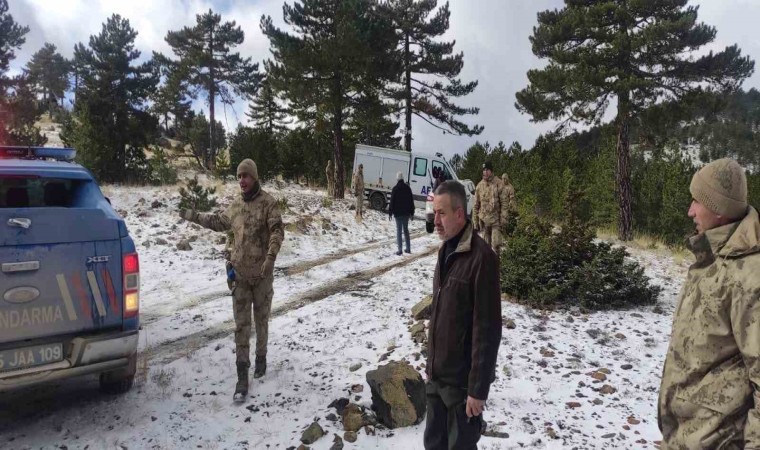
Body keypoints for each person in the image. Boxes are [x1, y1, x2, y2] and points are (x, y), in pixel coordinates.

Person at [658, 158, 760, 449]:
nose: (690, 211)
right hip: (687, 435)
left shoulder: (748, 276)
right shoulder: (713, 259)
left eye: (697, 201)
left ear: (718, 209)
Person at [179, 159, 284, 402]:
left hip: (262, 276)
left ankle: (261, 357)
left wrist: (270, 258)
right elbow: (217, 222)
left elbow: (277, 231)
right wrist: (193, 215)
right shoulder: (236, 206)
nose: (242, 180)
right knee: (241, 325)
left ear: (254, 177)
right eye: (239, 176)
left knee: (261, 320)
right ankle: (242, 375)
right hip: (240, 275)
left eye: (246, 176)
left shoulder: (268, 203)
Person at [425, 180, 502, 450]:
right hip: (436, 379)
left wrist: (478, 390)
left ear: (460, 214)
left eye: (441, 213)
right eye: (434, 213)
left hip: (461, 387)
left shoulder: (482, 259)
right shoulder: (445, 250)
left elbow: (488, 329)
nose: (435, 220)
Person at [472, 161, 509, 254]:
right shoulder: (479, 186)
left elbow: (504, 202)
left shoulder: (498, 183)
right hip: (484, 222)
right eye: (484, 170)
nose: (485, 172)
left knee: (496, 246)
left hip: (496, 221)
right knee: (485, 248)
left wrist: (504, 218)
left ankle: (496, 262)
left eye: (487, 170)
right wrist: (475, 222)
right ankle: (488, 263)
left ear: (491, 171)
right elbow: (476, 205)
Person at [388, 171, 414, 255]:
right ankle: (408, 248)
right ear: (403, 178)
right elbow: (411, 201)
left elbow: (392, 201)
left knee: (399, 231)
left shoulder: (395, 189)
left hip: (398, 214)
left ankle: (400, 250)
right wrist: (412, 212)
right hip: (406, 213)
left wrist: (390, 212)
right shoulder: (408, 188)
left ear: (397, 179)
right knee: (406, 230)